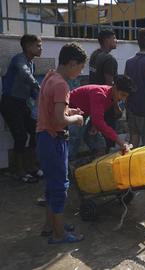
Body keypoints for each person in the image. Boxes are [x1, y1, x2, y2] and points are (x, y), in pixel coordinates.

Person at [36, 42, 87, 244]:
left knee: (52, 186)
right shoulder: (62, 85)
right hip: (54, 139)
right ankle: (59, 235)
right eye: (80, 67)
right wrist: (76, 119)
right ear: (72, 63)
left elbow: (53, 111)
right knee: (59, 188)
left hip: (44, 138)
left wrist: (69, 112)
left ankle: (51, 226)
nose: (80, 71)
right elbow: (59, 120)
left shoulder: (50, 76)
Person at [0, 34, 43, 183]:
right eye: (38, 45)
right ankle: (17, 171)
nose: (40, 48)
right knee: (20, 136)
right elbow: (25, 75)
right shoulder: (19, 60)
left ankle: (30, 166)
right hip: (10, 103)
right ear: (28, 46)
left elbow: (30, 89)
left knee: (35, 131)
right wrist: (39, 87)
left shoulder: (32, 63)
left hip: (21, 104)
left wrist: (41, 97)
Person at [68, 75, 133, 160]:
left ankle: (95, 166)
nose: (123, 99)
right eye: (122, 95)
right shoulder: (100, 94)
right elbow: (98, 121)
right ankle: (68, 167)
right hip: (70, 114)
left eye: (125, 96)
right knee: (74, 141)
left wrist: (95, 126)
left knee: (100, 146)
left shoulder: (111, 95)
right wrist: (120, 141)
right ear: (114, 88)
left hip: (84, 115)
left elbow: (97, 115)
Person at [89, 29, 120, 148]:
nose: (116, 41)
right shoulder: (109, 59)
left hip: (94, 102)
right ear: (107, 40)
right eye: (114, 38)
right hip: (106, 105)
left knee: (98, 134)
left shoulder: (94, 55)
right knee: (109, 136)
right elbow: (109, 87)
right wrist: (116, 107)